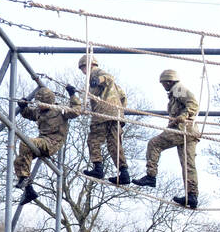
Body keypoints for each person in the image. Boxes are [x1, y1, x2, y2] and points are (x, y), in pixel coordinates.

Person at [133, 70, 201, 209]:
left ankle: (150, 176)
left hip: (184, 130)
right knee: (188, 164)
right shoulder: (174, 95)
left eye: (163, 83)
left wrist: (184, 115)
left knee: (154, 144)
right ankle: (192, 196)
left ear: (169, 82)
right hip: (191, 132)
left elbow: (193, 104)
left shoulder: (178, 89)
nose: (163, 86)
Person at [66, 54, 129, 185]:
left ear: (88, 65)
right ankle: (124, 173)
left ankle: (98, 168)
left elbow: (109, 77)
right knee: (114, 144)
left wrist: (98, 80)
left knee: (93, 139)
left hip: (102, 114)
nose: (83, 72)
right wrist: (120, 111)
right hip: (115, 114)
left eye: (83, 68)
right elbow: (123, 96)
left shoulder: (95, 74)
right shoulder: (113, 87)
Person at [12, 85, 70, 205]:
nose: (39, 105)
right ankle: (29, 190)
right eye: (38, 103)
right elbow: (29, 114)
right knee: (19, 160)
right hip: (42, 141)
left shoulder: (60, 111)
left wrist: (73, 95)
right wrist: (23, 107)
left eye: (41, 103)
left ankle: (25, 179)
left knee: (26, 142)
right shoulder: (39, 111)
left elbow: (76, 111)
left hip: (53, 142)